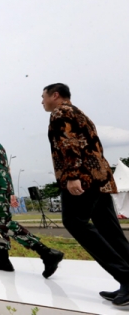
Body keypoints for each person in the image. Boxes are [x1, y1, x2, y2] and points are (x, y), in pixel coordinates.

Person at [42, 83, 129, 305]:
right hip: (98, 177)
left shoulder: (61, 113)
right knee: (110, 230)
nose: (42, 102)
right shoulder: (80, 113)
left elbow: (69, 144)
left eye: (43, 97)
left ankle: (126, 276)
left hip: (82, 179)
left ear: (55, 95)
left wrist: (72, 176)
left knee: (74, 222)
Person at [0, 118, 63, 278]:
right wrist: (10, 192)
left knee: (3, 223)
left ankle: (46, 253)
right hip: (1, 188)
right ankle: (3, 258)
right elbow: (7, 170)